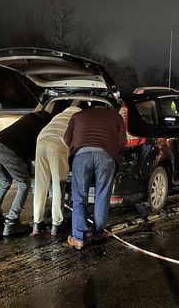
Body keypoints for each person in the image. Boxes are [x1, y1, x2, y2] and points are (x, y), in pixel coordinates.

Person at [63, 105, 126, 249]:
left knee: (79, 197)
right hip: (106, 156)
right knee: (102, 196)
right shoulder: (116, 117)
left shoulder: (78, 115)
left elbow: (66, 137)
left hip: (81, 155)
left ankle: (78, 238)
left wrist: (75, 147)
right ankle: (98, 234)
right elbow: (122, 143)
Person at [0, 110, 53, 236]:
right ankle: (12, 221)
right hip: (9, 150)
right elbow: (34, 154)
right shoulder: (42, 129)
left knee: (4, 181)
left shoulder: (29, 117)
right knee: (24, 184)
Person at [31, 103, 82, 236]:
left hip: (41, 141)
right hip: (58, 145)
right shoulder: (77, 119)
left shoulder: (59, 116)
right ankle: (56, 224)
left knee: (40, 185)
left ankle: (37, 224)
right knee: (58, 185)